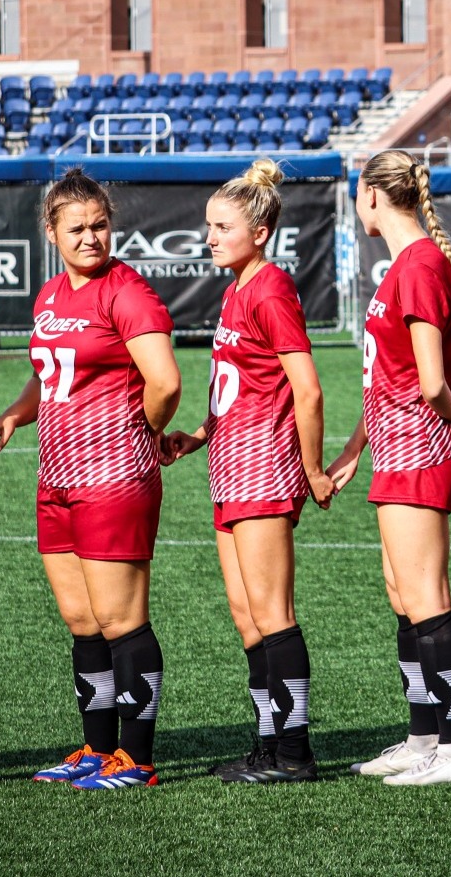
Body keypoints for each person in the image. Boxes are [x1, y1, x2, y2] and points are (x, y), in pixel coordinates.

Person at [0, 169, 179, 790]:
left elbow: (166, 382)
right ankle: (97, 750)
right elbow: (50, 375)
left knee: (122, 621)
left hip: (114, 478)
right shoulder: (48, 296)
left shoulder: (127, 292)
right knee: (82, 620)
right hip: (57, 476)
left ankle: (137, 759)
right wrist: (17, 411)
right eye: (78, 228)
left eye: (100, 225)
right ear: (51, 232)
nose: (91, 238)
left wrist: (134, 432)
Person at [164, 159, 333, 784]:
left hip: (264, 466)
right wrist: (199, 435)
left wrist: (313, 469)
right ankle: (268, 744)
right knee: (246, 611)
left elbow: (307, 391)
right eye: (208, 224)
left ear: (260, 231)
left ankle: (294, 753)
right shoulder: (237, 287)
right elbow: (239, 385)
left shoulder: (269, 287)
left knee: (272, 610)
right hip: (230, 462)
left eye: (223, 226)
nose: (210, 236)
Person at [324, 151, 451, 786]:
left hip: (421, 447)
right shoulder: (405, 265)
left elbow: (427, 383)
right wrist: (355, 448)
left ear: (371, 196)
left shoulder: (418, 266)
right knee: (403, 595)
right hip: (396, 447)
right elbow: (388, 379)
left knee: (426, 597)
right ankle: (424, 737)